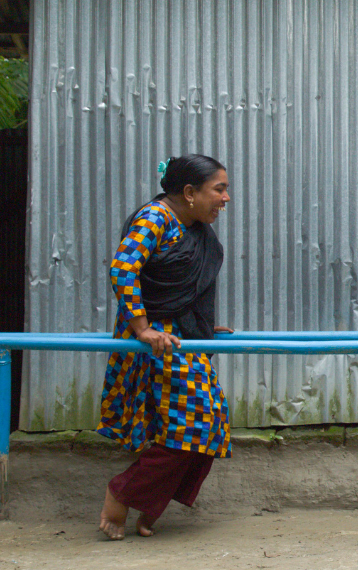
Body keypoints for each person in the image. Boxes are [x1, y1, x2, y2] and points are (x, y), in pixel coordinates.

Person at [96, 155, 233, 540]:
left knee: (210, 425)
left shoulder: (194, 228)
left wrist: (201, 323)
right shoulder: (156, 219)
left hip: (181, 335)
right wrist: (141, 328)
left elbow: (181, 287)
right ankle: (121, 494)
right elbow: (123, 268)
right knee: (195, 424)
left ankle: (148, 504)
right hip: (158, 340)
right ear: (189, 193)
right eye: (219, 189)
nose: (226, 198)